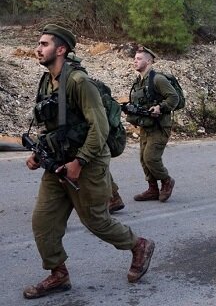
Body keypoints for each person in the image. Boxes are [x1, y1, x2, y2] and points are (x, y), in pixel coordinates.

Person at [23, 24, 154, 299]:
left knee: (96, 221)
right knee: (42, 222)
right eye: (39, 43)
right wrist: (39, 152)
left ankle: (139, 245)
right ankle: (58, 274)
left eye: (44, 44)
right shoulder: (47, 80)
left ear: (61, 50)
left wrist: (80, 161)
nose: (38, 48)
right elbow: (51, 124)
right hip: (58, 163)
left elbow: (100, 128)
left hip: (88, 163)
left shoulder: (79, 82)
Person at [126, 47, 178, 203]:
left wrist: (160, 107)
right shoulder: (138, 82)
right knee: (143, 158)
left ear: (149, 61)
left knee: (151, 158)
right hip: (145, 126)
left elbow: (173, 98)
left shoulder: (158, 79)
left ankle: (167, 181)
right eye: (135, 58)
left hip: (159, 126)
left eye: (139, 58)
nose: (135, 61)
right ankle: (153, 189)